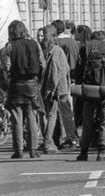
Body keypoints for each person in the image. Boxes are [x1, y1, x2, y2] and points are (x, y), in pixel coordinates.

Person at [76, 31, 105, 161]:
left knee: (87, 123)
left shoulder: (85, 56)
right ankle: (102, 152)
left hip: (88, 92)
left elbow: (77, 74)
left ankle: (83, 152)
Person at [4, 21, 43, 159]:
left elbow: (6, 67)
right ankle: (33, 149)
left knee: (16, 119)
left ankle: (18, 150)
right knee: (32, 117)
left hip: (16, 85)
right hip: (32, 84)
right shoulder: (34, 44)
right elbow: (42, 63)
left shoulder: (10, 47)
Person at [39, 25, 72, 154]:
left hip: (42, 87)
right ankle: (48, 142)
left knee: (44, 115)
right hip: (52, 87)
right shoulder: (57, 50)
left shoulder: (42, 49)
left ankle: (48, 141)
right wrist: (59, 89)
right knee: (52, 115)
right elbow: (60, 71)